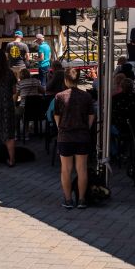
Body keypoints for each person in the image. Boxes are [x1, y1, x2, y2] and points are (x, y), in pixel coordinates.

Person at [55, 68, 95, 210]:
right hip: (82, 135)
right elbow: (91, 116)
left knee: (66, 169)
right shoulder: (86, 96)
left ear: (66, 80)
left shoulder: (59, 96)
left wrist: (61, 127)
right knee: (81, 169)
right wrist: (85, 128)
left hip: (65, 136)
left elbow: (57, 117)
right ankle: (82, 200)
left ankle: (68, 199)